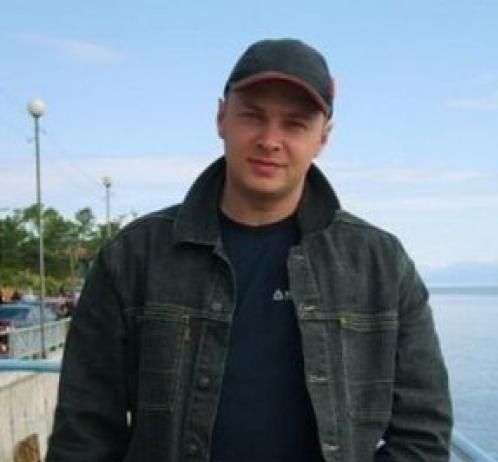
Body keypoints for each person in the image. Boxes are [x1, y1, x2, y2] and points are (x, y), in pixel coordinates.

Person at [46, 38, 452, 462]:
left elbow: (423, 435)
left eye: (295, 124)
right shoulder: (133, 258)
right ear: (221, 117)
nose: (270, 140)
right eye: (253, 116)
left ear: (323, 137)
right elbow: (84, 434)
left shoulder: (381, 265)